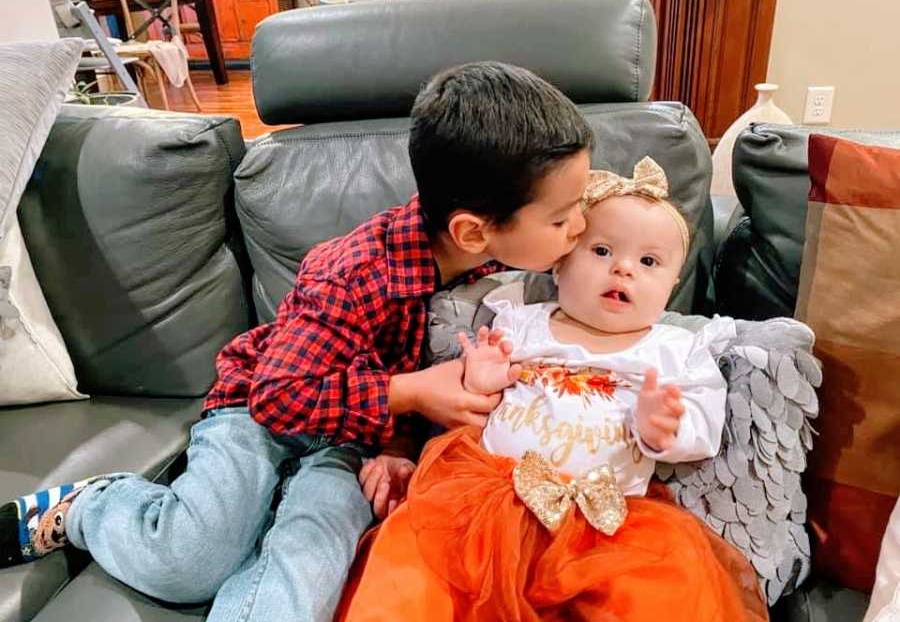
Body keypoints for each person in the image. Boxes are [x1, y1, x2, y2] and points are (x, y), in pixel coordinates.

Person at [0, 62, 594, 622]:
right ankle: (93, 505)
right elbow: (278, 395)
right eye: (564, 217)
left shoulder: (508, 273)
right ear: (472, 231)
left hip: (352, 444)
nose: (581, 228)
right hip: (258, 413)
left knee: (303, 575)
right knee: (188, 560)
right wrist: (407, 393)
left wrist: (399, 446)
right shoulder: (354, 269)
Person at [340, 157, 769, 622]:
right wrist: (482, 378)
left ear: (672, 284)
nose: (622, 270)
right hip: (488, 498)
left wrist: (662, 427)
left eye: (648, 262)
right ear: (560, 264)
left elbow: (703, 427)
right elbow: (475, 400)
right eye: (602, 251)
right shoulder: (522, 321)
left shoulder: (677, 349)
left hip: (608, 522)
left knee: (661, 595)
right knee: (416, 571)